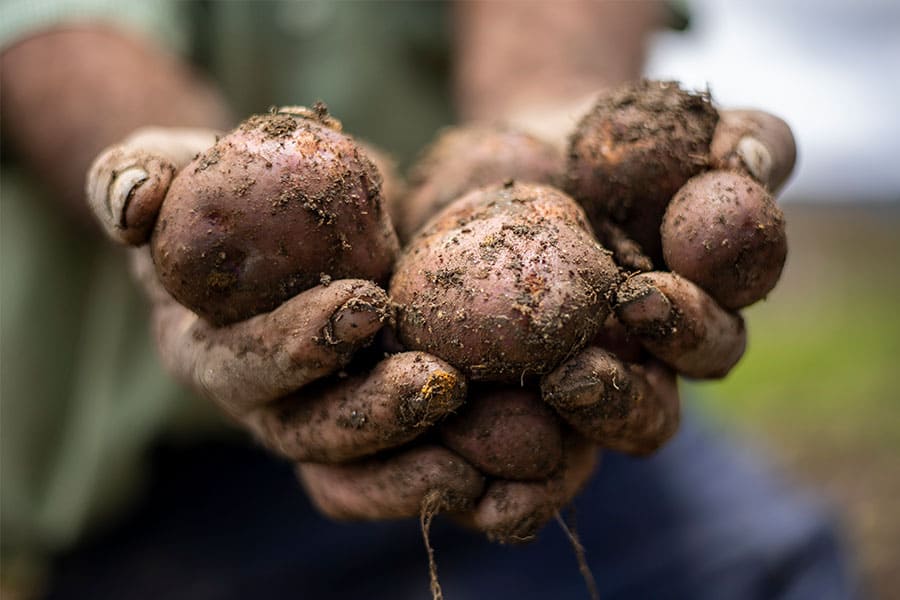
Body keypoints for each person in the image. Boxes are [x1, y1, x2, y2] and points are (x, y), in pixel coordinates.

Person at [1, 2, 860, 598]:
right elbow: (47, 23)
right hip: (159, 505)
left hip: (578, 432)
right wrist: (181, 177)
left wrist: (548, 105)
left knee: (780, 573)